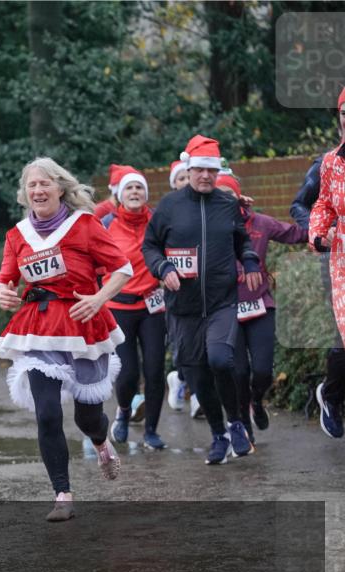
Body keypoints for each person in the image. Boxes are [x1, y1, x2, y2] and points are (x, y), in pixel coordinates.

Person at [0, 157, 132, 522]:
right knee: (48, 415)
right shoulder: (17, 235)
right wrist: (2, 293)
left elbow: (122, 268)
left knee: (88, 417)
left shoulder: (84, 225)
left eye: (45, 184)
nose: (37, 190)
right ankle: (62, 495)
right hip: (38, 326)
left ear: (60, 188)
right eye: (31, 186)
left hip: (82, 323)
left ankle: (101, 441)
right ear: (24, 194)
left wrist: (100, 299)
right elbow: (4, 278)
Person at [143, 135, 263, 465]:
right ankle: (218, 434)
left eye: (212, 170)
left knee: (221, 360)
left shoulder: (227, 205)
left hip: (222, 302)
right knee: (196, 373)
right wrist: (162, 266)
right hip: (182, 309)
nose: (206, 177)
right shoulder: (169, 206)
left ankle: (236, 422)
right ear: (189, 168)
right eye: (199, 170)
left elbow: (243, 242)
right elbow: (149, 246)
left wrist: (250, 261)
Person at [213, 174, 307, 449]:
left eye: (229, 195)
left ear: (239, 198)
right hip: (227, 311)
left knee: (263, 371)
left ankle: (257, 401)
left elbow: (296, 234)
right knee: (239, 372)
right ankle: (243, 424)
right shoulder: (207, 229)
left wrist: (317, 222)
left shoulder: (261, 224)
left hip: (260, 306)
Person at [101, 168, 168, 450]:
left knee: (154, 370)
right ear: (119, 194)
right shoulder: (106, 224)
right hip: (118, 306)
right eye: (129, 189)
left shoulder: (158, 221)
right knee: (128, 373)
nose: (135, 193)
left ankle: (151, 430)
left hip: (153, 305)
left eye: (139, 189)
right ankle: (124, 412)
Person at [309, 87, 345, 439]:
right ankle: (332, 397)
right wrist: (318, 233)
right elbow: (322, 204)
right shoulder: (331, 162)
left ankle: (331, 393)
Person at [165, 159, 193, 413]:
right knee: (183, 347)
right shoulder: (166, 213)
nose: (186, 182)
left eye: (188, 177)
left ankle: (198, 397)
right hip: (176, 291)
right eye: (180, 178)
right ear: (174, 184)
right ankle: (180, 379)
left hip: (205, 290)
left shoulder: (206, 208)